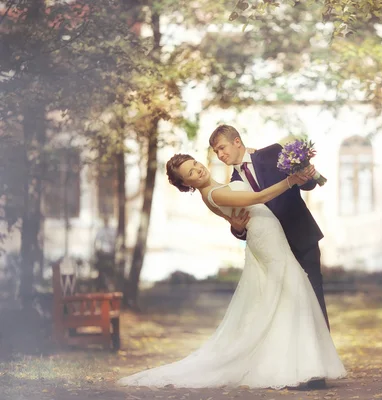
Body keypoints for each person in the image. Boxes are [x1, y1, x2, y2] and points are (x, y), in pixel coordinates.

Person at [117, 154, 346, 390]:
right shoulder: (214, 194)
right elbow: (258, 197)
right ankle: (294, 366)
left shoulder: (219, 185)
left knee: (285, 296)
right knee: (291, 292)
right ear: (187, 184)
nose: (199, 170)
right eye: (191, 173)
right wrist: (290, 181)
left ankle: (301, 363)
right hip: (265, 240)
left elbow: (238, 216)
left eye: (196, 164)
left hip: (271, 234)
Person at [209, 125, 330, 337]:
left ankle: (324, 355)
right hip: (272, 251)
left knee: (314, 293)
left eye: (222, 147)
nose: (220, 155)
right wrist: (237, 230)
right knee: (286, 304)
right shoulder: (233, 185)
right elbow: (244, 225)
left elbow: (305, 185)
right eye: (216, 152)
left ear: (237, 141)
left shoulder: (272, 153)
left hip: (301, 235)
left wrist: (309, 176)